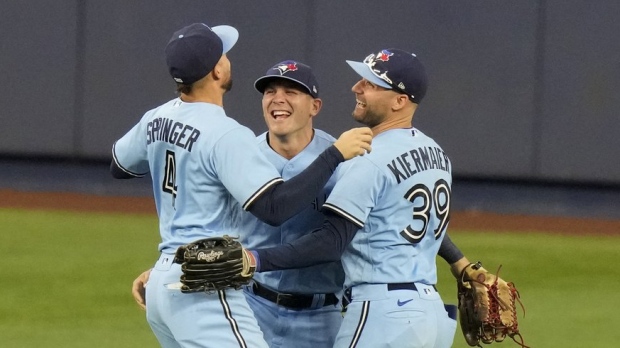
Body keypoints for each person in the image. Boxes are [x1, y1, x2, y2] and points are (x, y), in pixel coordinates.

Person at [111, 22, 372, 348]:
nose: (278, 98)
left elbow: (120, 166)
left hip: (304, 310)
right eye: (270, 91)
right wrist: (334, 155)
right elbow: (275, 207)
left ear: (315, 106)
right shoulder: (230, 138)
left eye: (290, 91)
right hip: (220, 291)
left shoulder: (157, 118)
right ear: (217, 71)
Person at [248, 48, 461, 348]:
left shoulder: (365, 158)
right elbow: (406, 213)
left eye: (371, 84)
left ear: (400, 101)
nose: (356, 87)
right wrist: (462, 263)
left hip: (384, 313)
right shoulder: (437, 154)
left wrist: (254, 259)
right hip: (430, 312)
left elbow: (331, 241)